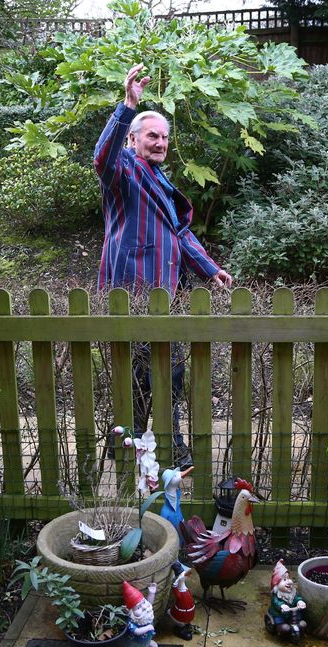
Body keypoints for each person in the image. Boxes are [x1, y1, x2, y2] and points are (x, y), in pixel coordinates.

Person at [94, 63, 232, 467]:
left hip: (164, 292)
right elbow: (102, 158)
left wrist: (210, 269)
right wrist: (127, 106)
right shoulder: (124, 169)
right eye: (152, 135)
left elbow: (179, 233)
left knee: (157, 372)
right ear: (133, 139)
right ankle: (171, 450)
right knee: (153, 372)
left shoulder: (159, 178)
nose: (160, 142)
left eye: (164, 137)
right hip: (133, 290)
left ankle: (128, 446)